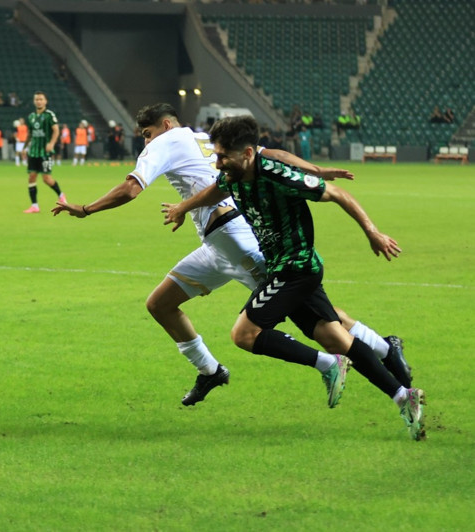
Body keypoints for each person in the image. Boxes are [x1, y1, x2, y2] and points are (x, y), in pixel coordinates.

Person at [53, 103, 411, 410]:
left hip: (236, 240)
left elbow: (132, 188)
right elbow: (267, 152)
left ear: (163, 125)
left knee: (315, 316)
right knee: (160, 304)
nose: (146, 142)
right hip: (215, 243)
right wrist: (314, 169)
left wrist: (85, 209)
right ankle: (211, 372)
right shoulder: (203, 138)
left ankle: (373, 353)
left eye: (146, 134)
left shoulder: (166, 140)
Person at [162, 115, 425, 440]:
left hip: (296, 268)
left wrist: (373, 232)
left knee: (244, 334)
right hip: (284, 269)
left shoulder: (278, 177)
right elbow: (214, 192)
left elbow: (337, 193)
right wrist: (182, 208)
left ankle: (330, 365)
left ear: (247, 153)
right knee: (336, 338)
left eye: (222, 156)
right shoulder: (232, 175)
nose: (217, 162)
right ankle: (403, 395)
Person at [22, 91, 64, 213]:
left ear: (45, 101)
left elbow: (56, 130)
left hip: (45, 153)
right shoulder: (31, 117)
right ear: (34, 101)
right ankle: (35, 206)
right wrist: (24, 148)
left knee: (46, 179)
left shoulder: (49, 115)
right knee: (31, 176)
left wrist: (51, 144)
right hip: (33, 152)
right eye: (36, 99)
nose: (39, 101)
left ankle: (61, 195)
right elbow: (30, 133)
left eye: (41, 99)